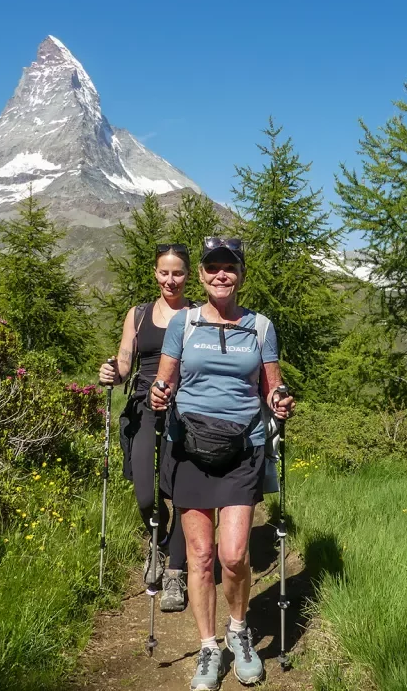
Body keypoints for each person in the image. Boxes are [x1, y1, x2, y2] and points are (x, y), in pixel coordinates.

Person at [151, 237, 294, 691]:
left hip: (244, 446)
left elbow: (270, 385)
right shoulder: (184, 322)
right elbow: (165, 380)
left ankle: (238, 629)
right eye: (212, 266)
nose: (220, 274)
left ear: (240, 275)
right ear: (202, 275)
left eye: (228, 267)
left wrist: (279, 399)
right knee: (200, 555)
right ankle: (210, 646)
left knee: (233, 556)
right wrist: (159, 394)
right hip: (189, 446)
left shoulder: (261, 327)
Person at [98, 243, 192, 613]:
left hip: (187, 411)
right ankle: (158, 537)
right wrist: (112, 373)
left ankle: (175, 572)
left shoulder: (198, 314)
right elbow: (125, 360)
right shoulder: (138, 315)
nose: (171, 280)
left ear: (188, 275)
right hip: (143, 407)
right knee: (145, 494)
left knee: (185, 493)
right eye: (164, 272)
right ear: (155, 273)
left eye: (178, 273)